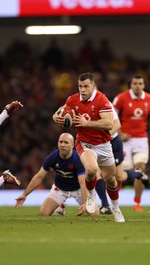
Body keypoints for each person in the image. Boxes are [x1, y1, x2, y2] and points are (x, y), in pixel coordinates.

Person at [53, 72, 125, 222]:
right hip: (84, 142)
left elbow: (109, 124)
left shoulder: (102, 99)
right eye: (80, 86)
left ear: (93, 86)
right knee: (91, 169)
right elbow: (61, 110)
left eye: (86, 86)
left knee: (111, 179)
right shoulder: (72, 100)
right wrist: (56, 117)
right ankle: (91, 195)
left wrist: (88, 123)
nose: (83, 90)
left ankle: (116, 208)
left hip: (104, 144)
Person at [112, 75, 150, 211]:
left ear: (144, 85)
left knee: (140, 168)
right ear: (130, 85)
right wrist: (120, 134)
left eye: (140, 83)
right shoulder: (121, 98)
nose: (138, 85)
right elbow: (112, 117)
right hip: (124, 140)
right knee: (119, 174)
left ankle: (137, 202)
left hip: (141, 139)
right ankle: (114, 202)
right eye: (135, 83)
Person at [15, 133, 87, 216]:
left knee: (93, 213)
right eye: (61, 142)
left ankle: (64, 206)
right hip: (60, 189)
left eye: (66, 142)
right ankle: (59, 207)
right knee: (43, 214)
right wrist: (24, 194)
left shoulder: (78, 158)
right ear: (58, 143)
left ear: (72, 145)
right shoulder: (52, 158)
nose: (62, 145)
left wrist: (85, 203)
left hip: (78, 189)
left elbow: (83, 183)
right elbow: (39, 177)